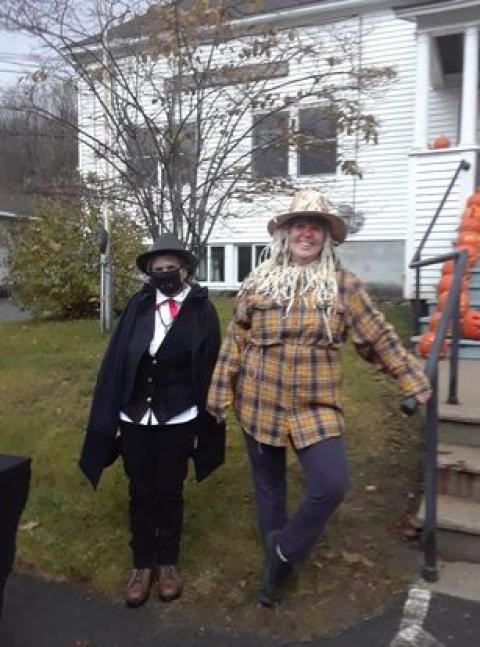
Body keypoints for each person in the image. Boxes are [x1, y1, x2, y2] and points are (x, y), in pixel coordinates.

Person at [207, 190, 431, 607]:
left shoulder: (342, 285)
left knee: (331, 483)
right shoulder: (258, 282)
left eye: (315, 227)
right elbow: (236, 339)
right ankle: (275, 572)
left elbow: (377, 336)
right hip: (259, 402)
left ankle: (283, 552)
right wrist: (220, 391)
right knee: (269, 489)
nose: (306, 233)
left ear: (326, 236)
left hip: (316, 406)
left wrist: (410, 377)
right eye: (299, 225)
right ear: (286, 233)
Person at [80, 233, 225, 608]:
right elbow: (117, 362)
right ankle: (142, 564)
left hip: (179, 417)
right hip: (134, 417)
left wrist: (202, 426)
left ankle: (168, 562)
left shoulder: (202, 311)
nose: (163, 274)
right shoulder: (138, 305)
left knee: (170, 490)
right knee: (140, 490)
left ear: (185, 269)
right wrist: (112, 415)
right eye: (156, 269)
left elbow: (211, 369)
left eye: (169, 267)